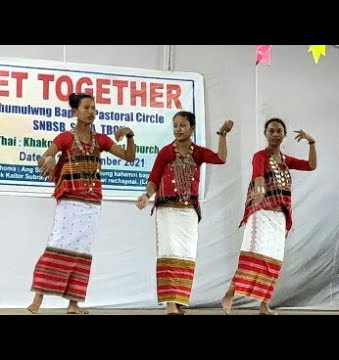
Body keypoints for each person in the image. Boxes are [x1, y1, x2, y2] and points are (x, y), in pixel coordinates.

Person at [27, 93, 136, 314]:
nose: (91, 112)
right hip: (70, 200)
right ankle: (38, 297)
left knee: (82, 250)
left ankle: (74, 304)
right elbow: (44, 157)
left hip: (92, 203)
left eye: (94, 108)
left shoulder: (101, 140)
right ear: (75, 112)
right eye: (86, 107)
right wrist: (49, 159)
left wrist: (130, 136)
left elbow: (129, 157)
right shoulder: (65, 137)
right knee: (58, 243)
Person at [136, 111, 233, 315]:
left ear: (192, 128)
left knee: (186, 255)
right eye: (175, 125)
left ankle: (179, 300)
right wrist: (146, 195)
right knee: (169, 251)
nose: (178, 129)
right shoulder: (165, 152)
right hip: (167, 210)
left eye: (182, 125)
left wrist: (222, 134)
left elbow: (221, 158)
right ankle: (171, 303)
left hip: (188, 212)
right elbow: (154, 179)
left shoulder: (197, 152)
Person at [221, 118, 316, 315]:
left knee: (273, 259)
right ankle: (230, 293)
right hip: (261, 212)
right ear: (265, 134)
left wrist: (312, 142)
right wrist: (260, 192)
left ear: (284, 135)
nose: (275, 134)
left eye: (279, 131)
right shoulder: (260, 156)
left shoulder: (286, 160)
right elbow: (258, 175)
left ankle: (264, 304)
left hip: (279, 217)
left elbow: (311, 166)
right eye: (271, 131)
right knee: (252, 253)